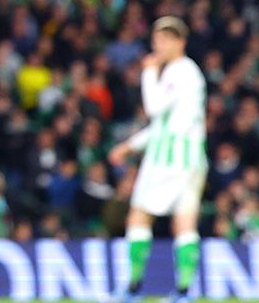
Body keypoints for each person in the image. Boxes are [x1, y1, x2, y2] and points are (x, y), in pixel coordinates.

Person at [107, 16, 207, 303]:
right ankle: (185, 292)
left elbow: (153, 109)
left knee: (139, 215)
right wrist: (130, 145)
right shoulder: (188, 73)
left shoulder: (179, 71)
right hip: (190, 158)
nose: (159, 44)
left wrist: (148, 73)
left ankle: (133, 288)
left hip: (169, 159)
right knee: (184, 223)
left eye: (167, 39)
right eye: (157, 39)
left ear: (181, 43)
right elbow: (166, 123)